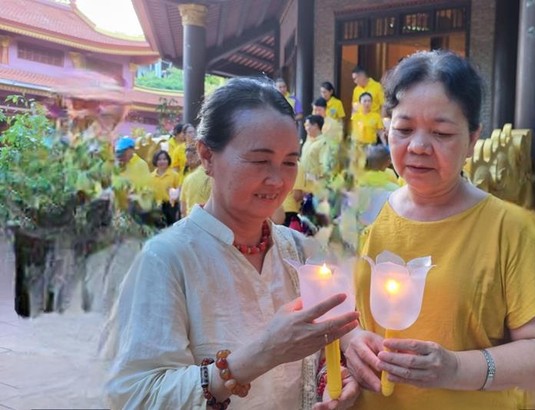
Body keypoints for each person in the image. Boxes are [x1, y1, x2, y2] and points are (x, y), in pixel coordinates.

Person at [343, 51, 535, 409]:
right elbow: (348, 310)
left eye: (441, 132)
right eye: (404, 129)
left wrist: (457, 368)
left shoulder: (510, 228)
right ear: (385, 130)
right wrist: (352, 341)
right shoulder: (368, 213)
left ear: (473, 139)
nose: (418, 147)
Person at [103, 77, 361, 409]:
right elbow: (137, 396)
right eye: (259, 160)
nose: (278, 179)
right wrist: (261, 353)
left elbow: (318, 359)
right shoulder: (166, 259)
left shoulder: (302, 252)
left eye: (289, 162)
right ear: (207, 155)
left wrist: (336, 380)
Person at [149, 150, 181, 226]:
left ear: (168, 160)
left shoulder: (174, 175)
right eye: (159, 159)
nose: (162, 161)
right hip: (156, 207)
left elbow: (179, 193)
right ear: (155, 161)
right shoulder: (151, 177)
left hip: (171, 207)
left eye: (164, 159)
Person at [179, 145, 211, 217]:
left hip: (192, 218)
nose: (189, 160)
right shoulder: (214, 175)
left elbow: (183, 209)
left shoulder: (188, 178)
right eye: (187, 157)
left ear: (199, 156)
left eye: (192, 156)